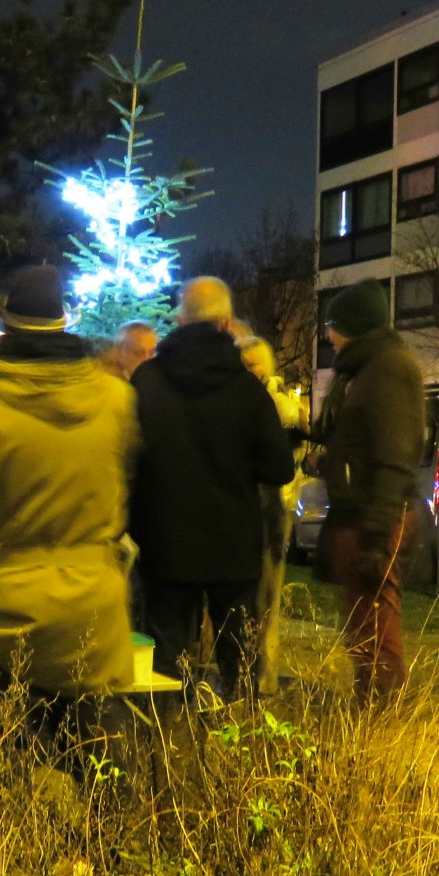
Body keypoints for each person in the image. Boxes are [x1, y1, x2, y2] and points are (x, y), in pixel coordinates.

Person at [0, 265, 139, 698]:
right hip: (93, 617)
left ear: (5, 326)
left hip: (0, 621)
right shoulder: (115, 399)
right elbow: (119, 502)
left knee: (1, 760)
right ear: (63, 322)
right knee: (97, 762)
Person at [129, 279, 293, 694]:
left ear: (181, 319)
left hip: (165, 543)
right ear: (225, 322)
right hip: (232, 547)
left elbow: (126, 457)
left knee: (163, 662)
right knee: (238, 657)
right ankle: (235, 745)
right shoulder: (246, 389)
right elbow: (280, 468)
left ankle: (163, 749)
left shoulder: (147, 381)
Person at [314, 280, 426, 700]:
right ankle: (373, 705)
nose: (327, 334)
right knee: (364, 625)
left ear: (353, 326)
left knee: (374, 627)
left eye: (332, 324)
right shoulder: (364, 370)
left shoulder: (387, 370)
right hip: (360, 513)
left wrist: (377, 539)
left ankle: (384, 716)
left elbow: (395, 458)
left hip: (373, 518)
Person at [240, 335, 307, 691]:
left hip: (272, 511)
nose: (248, 372)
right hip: (251, 509)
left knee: (267, 599)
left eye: (253, 365)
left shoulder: (278, 404)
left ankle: (263, 678)